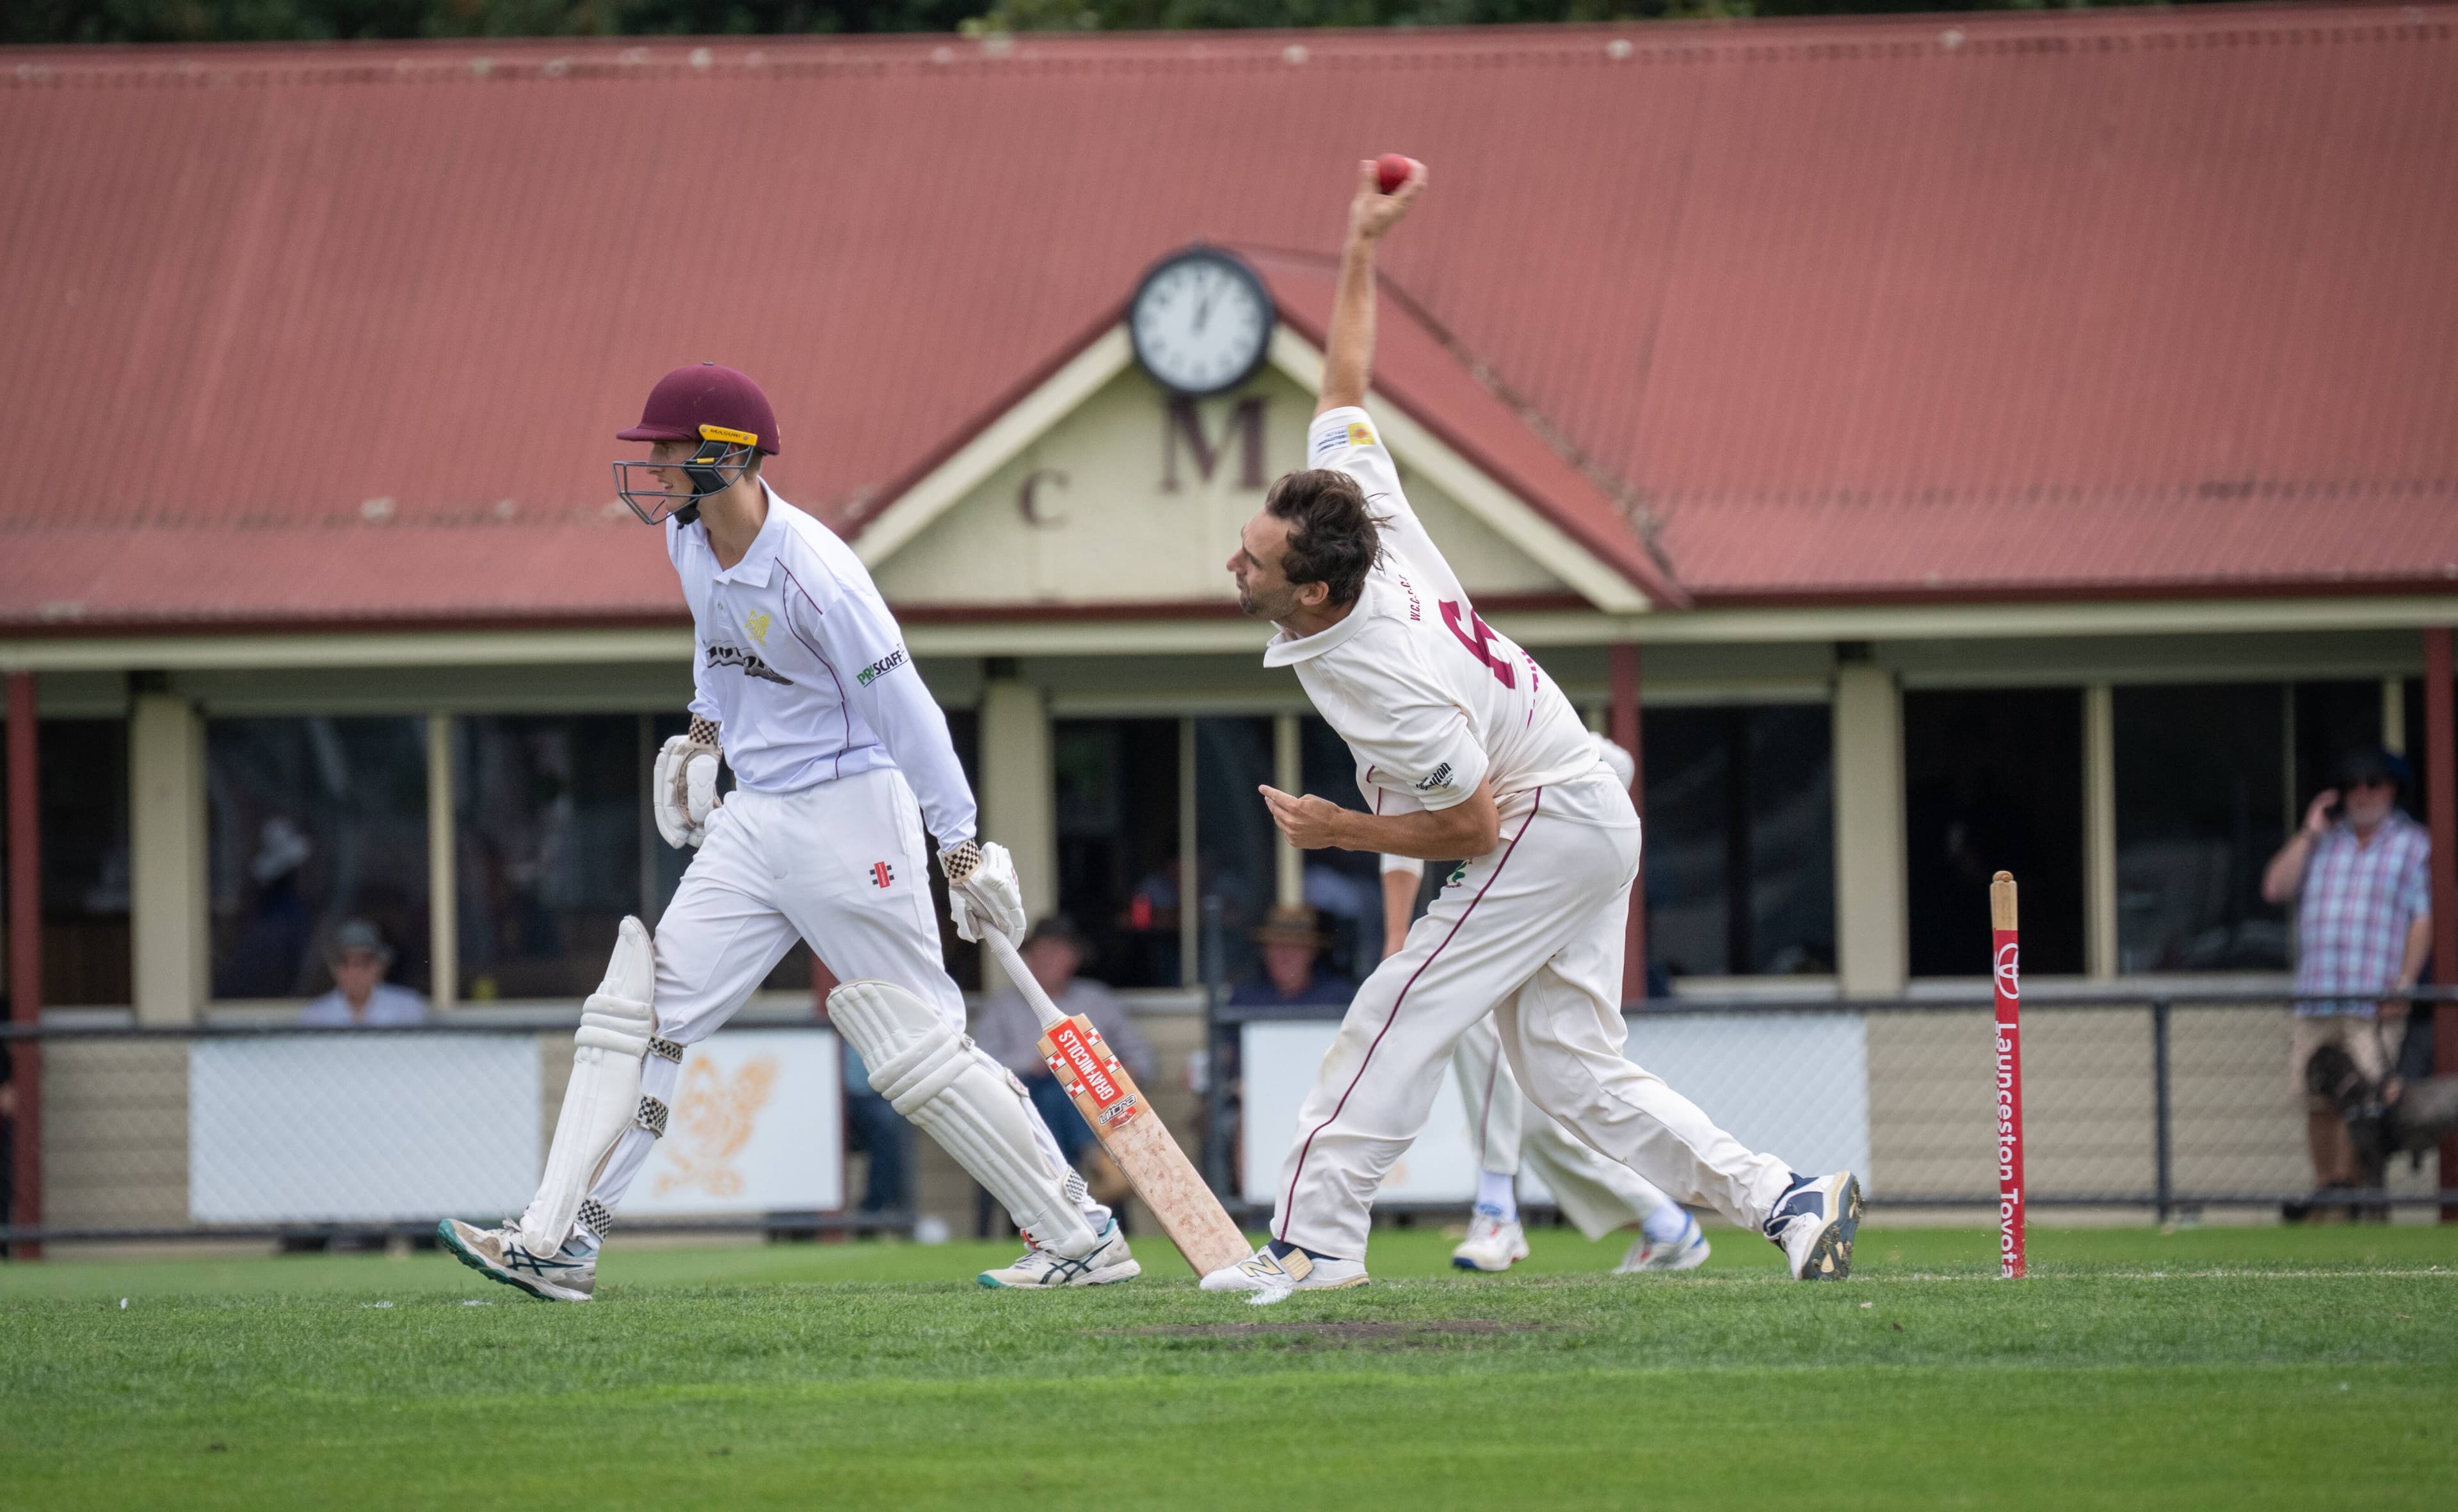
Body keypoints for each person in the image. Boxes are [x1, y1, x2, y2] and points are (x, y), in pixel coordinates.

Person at [1201, 161, 1859, 1300]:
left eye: (1252, 559)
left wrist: (1340, 832)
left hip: (1539, 816)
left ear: (1312, 593)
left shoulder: (1384, 671)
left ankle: (1315, 1242)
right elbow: (1345, 384)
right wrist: (1362, 243)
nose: (1234, 561)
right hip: (1586, 804)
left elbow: (1469, 821)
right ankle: (1786, 1196)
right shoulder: (1368, 516)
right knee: (1570, 1076)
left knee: (1396, 1007)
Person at [440, 362, 1134, 1299]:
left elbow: (911, 713)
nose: (654, 466)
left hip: (854, 812)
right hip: (756, 815)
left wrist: (960, 841)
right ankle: (561, 1239)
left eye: (670, 450)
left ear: (727, 457)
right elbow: (717, 649)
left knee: (917, 1046)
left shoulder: (820, 575)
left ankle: (1079, 1231)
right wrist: (703, 732)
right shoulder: (691, 543)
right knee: (642, 1015)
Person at [1382, 734, 1710, 1276]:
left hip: (1554, 912)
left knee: (1470, 1022)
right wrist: (1396, 936)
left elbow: (1618, 765)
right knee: (1534, 1116)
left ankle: (1495, 1208)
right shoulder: (1425, 738)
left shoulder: (1526, 730)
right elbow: (1397, 818)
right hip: (1503, 901)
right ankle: (1667, 1225)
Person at [2260, 745, 2432, 1213]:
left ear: (2392, 790)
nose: (2362, 793)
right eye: (2353, 785)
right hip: (2316, 997)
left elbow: (2424, 918)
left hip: (2372, 1000)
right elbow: (2275, 888)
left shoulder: (2415, 844)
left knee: (2366, 1102)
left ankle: (2358, 1197)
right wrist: (2308, 832)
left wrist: (2405, 983)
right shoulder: (2325, 841)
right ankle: (2327, 1194)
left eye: (2373, 784)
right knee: (2318, 1101)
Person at [972, 914, 1157, 1171]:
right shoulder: (1002, 1006)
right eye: (1041, 950)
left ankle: (1066, 1178)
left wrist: (1122, 1077)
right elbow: (980, 1063)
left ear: (1075, 958)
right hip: (1023, 1107)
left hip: (1098, 1106)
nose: (1048, 958)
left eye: (1058, 950)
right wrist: (1033, 1064)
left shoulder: (1097, 1000)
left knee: (1065, 1094)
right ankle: (1090, 1163)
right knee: (1052, 1093)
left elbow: (1141, 1057)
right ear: (1028, 958)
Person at [298, 920, 429, 1026]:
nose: (355, 972)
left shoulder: (407, 1008)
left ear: (380, 966)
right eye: (346, 963)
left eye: (364, 963)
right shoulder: (316, 1015)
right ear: (335, 969)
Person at [1228, 905, 1354, 1010]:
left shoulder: (1337, 998)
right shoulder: (1245, 1000)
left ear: (1312, 953)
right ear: (1265, 952)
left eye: (1295, 948)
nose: (1285, 956)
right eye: (1277, 947)